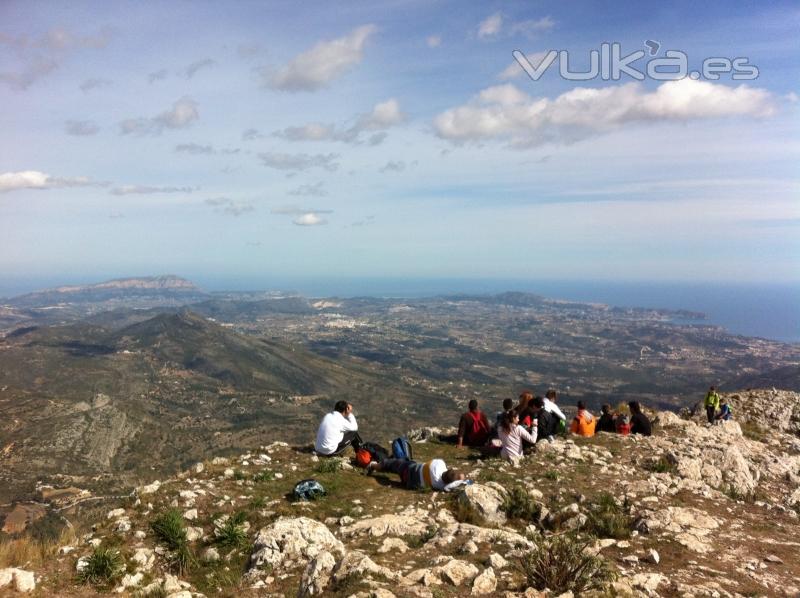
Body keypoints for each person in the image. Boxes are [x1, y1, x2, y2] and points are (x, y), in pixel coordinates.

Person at [367, 457, 466, 491]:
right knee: (398, 466)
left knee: (391, 463)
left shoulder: (439, 464)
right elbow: (457, 482)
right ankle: (382, 468)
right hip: (409, 483)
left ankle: (373, 465)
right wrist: (460, 479)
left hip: (409, 470)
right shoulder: (441, 485)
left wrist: (458, 476)